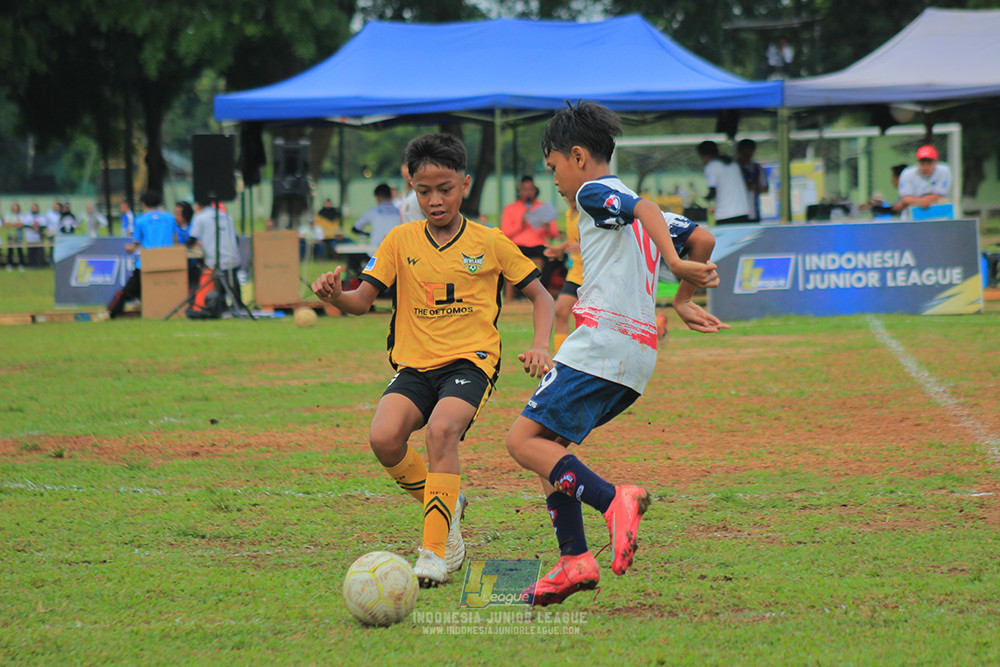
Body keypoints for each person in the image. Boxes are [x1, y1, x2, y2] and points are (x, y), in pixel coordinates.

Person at [506, 101, 727, 607]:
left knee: (521, 441)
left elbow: (648, 214)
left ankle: (613, 500)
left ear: (578, 157)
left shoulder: (589, 192)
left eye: (554, 167)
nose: (555, 180)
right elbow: (703, 236)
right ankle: (574, 562)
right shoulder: (619, 198)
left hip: (600, 343)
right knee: (549, 452)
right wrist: (683, 300)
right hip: (636, 355)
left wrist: (672, 263)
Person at [311, 132, 555, 588]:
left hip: (471, 362)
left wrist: (542, 343)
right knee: (384, 438)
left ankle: (436, 550)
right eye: (424, 192)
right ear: (411, 188)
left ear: (464, 184)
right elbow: (362, 300)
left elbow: (542, 296)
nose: (435, 200)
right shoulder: (399, 240)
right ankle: (446, 501)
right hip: (415, 364)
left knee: (443, 430)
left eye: (445, 189)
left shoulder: (491, 241)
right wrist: (334, 296)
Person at [107, 191, 178, 318]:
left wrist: (127, 248)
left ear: (143, 204)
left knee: (127, 290)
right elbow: (175, 239)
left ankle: (111, 312)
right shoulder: (170, 218)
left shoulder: (140, 220)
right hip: (168, 260)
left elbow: (136, 244)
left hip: (147, 261)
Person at [500, 175, 560, 300]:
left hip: (538, 244)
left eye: (530, 189)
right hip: (518, 245)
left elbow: (554, 233)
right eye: (525, 189)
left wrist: (548, 228)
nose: (528, 192)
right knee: (507, 257)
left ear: (535, 191)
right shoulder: (510, 208)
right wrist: (520, 224)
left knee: (551, 256)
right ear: (519, 191)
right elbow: (505, 233)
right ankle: (516, 294)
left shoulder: (542, 207)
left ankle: (542, 291)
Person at [190, 196, 244, 310]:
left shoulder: (200, 217)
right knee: (233, 286)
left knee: (216, 285)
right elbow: (235, 238)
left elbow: (192, 240)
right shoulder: (227, 217)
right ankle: (238, 306)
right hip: (232, 258)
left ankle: (217, 306)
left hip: (213, 260)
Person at [544, 201, 582, 353]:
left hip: (594, 274)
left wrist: (584, 247)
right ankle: (562, 360)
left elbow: (606, 237)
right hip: (576, 273)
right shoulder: (569, 213)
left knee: (592, 320)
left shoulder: (589, 212)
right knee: (560, 311)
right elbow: (574, 239)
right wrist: (559, 249)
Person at [350, 183, 401, 280]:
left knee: (352, 259)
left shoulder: (373, 211)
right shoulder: (399, 212)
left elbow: (355, 228)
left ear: (378, 197)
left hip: (375, 256)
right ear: (391, 195)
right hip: (396, 256)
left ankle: (363, 282)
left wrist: (368, 234)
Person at [697, 140, 750, 225]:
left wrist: (700, 201)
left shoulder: (712, 166)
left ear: (704, 155)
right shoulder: (733, 163)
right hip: (743, 211)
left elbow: (712, 191)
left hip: (725, 214)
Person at [895, 145, 952, 220]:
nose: (925, 167)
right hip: (912, 218)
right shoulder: (907, 173)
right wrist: (922, 202)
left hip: (937, 217)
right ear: (917, 162)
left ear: (935, 162)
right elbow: (905, 198)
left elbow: (940, 194)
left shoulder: (944, 171)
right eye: (922, 164)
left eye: (929, 163)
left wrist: (916, 201)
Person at [736, 139, 769, 223]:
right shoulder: (733, 168)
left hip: (753, 212)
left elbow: (765, 188)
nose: (746, 157)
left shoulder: (757, 168)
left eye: (749, 154)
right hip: (736, 212)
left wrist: (754, 187)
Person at [173, 200, 200, 291]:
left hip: (193, 264)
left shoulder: (194, 226)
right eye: (175, 213)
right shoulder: (173, 228)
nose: (175, 217)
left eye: (178, 214)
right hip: (178, 264)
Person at [3, 203, 26, 272]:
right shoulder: (8, 215)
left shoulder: (20, 215)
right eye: (14, 208)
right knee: (10, 251)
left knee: (19, 250)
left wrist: (12, 224)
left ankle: (21, 265)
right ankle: (9, 264)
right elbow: (6, 224)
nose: (15, 209)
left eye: (16, 208)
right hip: (10, 235)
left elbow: (21, 224)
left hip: (18, 236)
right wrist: (15, 225)